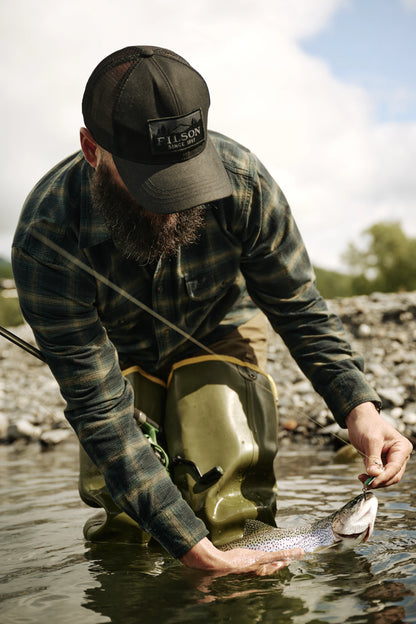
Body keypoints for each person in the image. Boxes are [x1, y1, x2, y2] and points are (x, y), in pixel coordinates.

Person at [12, 46, 412, 576]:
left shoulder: (245, 183)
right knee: (128, 526)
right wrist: (191, 551)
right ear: (91, 149)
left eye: (185, 178)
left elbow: (297, 306)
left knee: (230, 506)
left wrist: (360, 408)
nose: (173, 207)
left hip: (220, 332)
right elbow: (99, 408)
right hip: (117, 354)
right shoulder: (46, 236)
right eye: (152, 184)